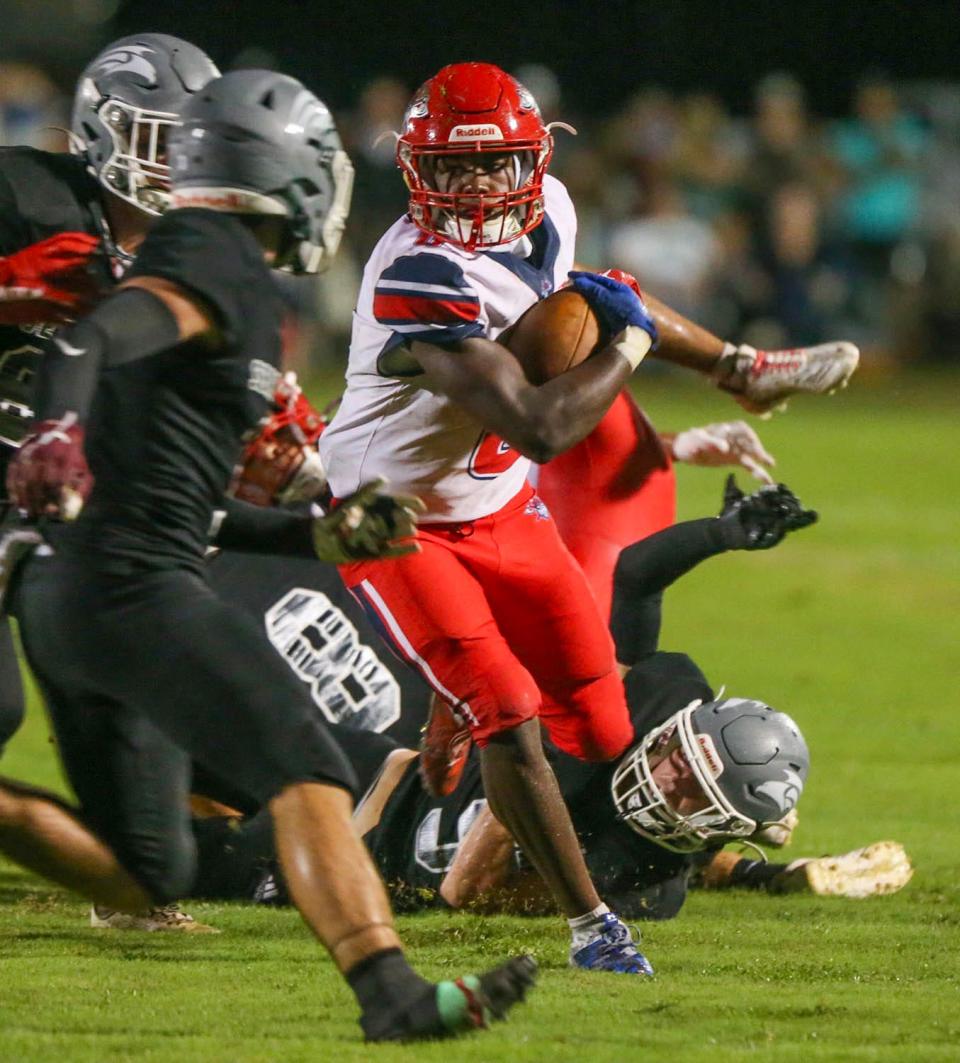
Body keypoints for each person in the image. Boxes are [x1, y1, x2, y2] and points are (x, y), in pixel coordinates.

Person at [0, 69, 536, 1042]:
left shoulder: (196, 254)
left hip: (67, 586)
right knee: (308, 766)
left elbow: (182, 492)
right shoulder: (219, 257)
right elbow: (90, 340)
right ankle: (390, 992)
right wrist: (56, 429)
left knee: (150, 867)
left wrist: (315, 535)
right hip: (134, 587)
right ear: (290, 175)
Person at [317, 61, 859, 976]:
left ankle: (742, 366)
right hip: (398, 521)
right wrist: (633, 340)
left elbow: (566, 327)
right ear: (416, 169)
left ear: (535, 161)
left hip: (498, 506)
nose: (477, 187)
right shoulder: (415, 270)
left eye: (495, 167)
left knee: (602, 724)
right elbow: (542, 423)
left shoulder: (552, 209)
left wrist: (618, 326)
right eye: (452, 168)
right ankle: (592, 923)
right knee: (510, 706)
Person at [187, 477, 912, 916]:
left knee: (178, 860)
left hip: (374, 854)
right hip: (391, 769)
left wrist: (546, 774)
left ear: (705, 826)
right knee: (202, 736)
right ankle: (764, 872)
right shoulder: (662, 708)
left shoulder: (640, 890)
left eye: (688, 789)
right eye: (678, 756)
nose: (664, 774)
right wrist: (720, 534)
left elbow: (466, 891)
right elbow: (634, 576)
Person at [0, 33, 221, 755]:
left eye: (191, 145)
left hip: (56, 508)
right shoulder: (25, 196)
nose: (174, 165)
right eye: (159, 140)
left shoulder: (195, 257)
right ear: (104, 127)